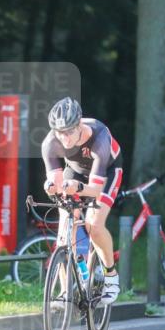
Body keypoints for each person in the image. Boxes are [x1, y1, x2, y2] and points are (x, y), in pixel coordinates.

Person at [41, 97, 123, 304]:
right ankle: (65, 292)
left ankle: (111, 275)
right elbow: (56, 181)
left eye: (69, 131)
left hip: (108, 172)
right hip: (76, 171)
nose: (65, 138)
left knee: (94, 226)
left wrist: (77, 188)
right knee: (64, 229)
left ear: (79, 125)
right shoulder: (50, 142)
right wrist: (51, 186)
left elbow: (95, 190)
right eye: (60, 132)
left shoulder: (99, 137)